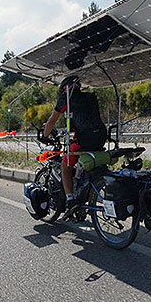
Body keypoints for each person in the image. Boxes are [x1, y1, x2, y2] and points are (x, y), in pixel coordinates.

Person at [43, 75, 107, 216]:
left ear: (65, 88)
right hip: (101, 137)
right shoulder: (90, 97)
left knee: (65, 166)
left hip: (84, 139)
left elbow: (52, 120)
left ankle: (71, 200)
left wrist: (45, 136)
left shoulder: (66, 99)